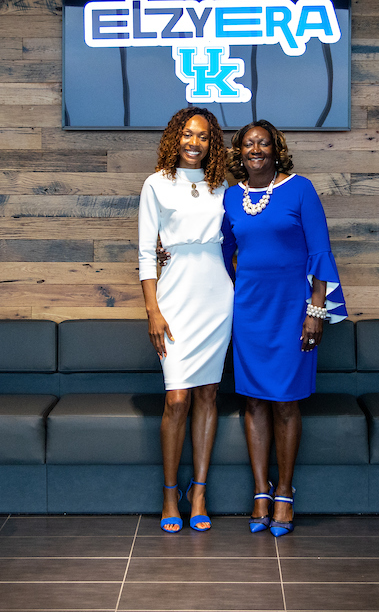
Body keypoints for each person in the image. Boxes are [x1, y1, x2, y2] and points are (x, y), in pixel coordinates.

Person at [221, 120, 347, 537]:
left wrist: (317, 310)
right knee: (254, 402)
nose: (255, 149)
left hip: (293, 311)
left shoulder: (300, 189)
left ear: (277, 150)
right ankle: (261, 491)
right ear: (239, 153)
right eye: (247, 144)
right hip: (249, 312)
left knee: (286, 403)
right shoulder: (231, 199)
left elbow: (320, 253)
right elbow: (220, 253)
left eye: (263, 143)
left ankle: (286, 492)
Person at [138, 106, 233, 533]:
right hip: (174, 298)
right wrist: (153, 310)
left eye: (204, 137)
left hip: (217, 295)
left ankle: (199, 492)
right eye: (188, 135)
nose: (195, 143)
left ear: (212, 144)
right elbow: (145, 254)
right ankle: (169, 492)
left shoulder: (222, 186)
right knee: (177, 398)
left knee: (209, 395)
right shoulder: (155, 184)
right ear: (175, 137)